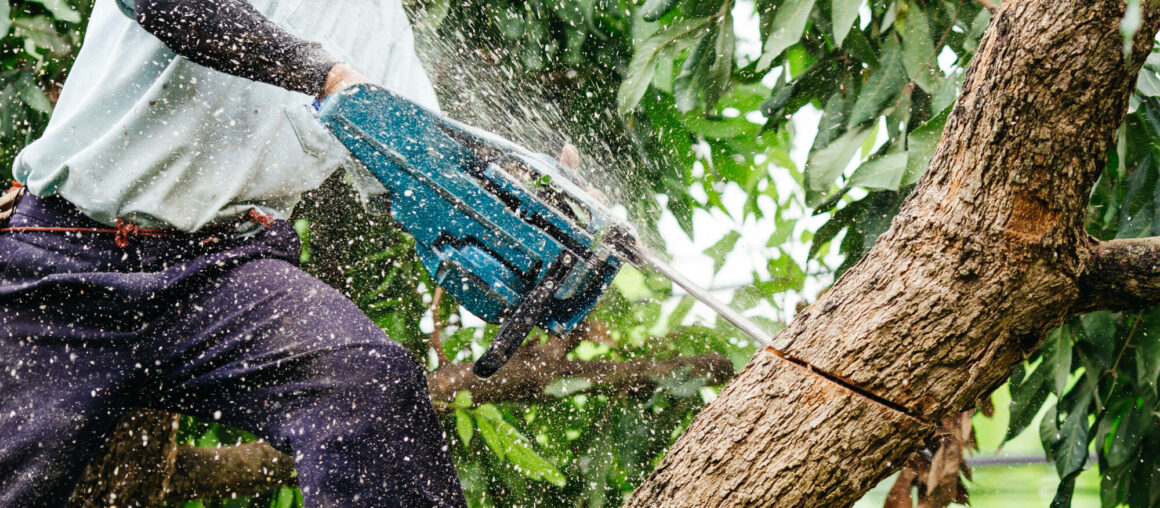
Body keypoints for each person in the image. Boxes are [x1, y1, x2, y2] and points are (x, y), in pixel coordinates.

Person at [0, 0, 468, 505]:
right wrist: (326, 74)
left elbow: (433, 170)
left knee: (367, 379)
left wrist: (534, 191)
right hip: (60, 258)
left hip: (224, 275)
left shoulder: (382, 23)